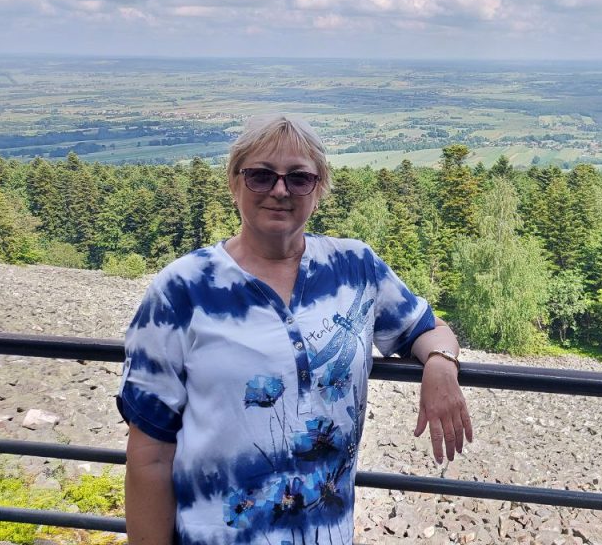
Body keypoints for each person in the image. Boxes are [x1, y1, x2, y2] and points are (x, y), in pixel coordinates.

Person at [117, 115, 472, 545]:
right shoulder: (182, 289)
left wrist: (441, 364)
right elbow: (150, 457)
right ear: (234, 183)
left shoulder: (355, 269)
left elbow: (427, 328)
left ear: (318, 190)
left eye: (299, 178)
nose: (280, 190)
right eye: (261, 176)